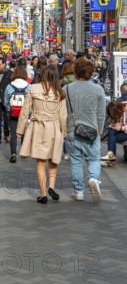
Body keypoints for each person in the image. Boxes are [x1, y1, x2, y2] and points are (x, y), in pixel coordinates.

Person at [17, 65, 67, 204]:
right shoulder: (60, 92)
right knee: (53, 159)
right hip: (54, 127)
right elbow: (63, 115)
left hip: (38, 127)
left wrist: (20, 129)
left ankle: (43, 194)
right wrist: (65, 132)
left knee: (40, 162)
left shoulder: (33, 89)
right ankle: (51, 186)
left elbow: (25, 110)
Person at [65, 57, 106, 202]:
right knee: (94, 158)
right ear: (91, 72)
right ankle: (93, 178)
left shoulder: (67, 89)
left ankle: (78, 191)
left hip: (72, 130)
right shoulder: (98, 89)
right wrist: (100, 131)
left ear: (75, 72)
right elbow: (101, 114)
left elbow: (63, 112)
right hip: (92, 131)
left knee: (75, 161)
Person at [4, 65, 30, 163]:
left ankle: (13, 154)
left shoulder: (10, 86)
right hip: (25, 113)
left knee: (13, 133)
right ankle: (23, 152)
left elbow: (6, 101)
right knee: (24, 132)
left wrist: (9, 109)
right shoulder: (29, 86)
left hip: (13, 113)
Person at [101, 83, 127, 164]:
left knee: (112, 135)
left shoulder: (120, 103)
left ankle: (111, 157)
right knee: (112, 132)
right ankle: (111, 156)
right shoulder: (117, 105)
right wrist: (115, 125)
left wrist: (121, 128)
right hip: (124, 131)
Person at [0, 57, 12, 145]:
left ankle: (7, 135)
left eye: (0, 64)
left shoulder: (10, 73)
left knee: (7, 119)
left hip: (7, 99)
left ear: (4, 64)